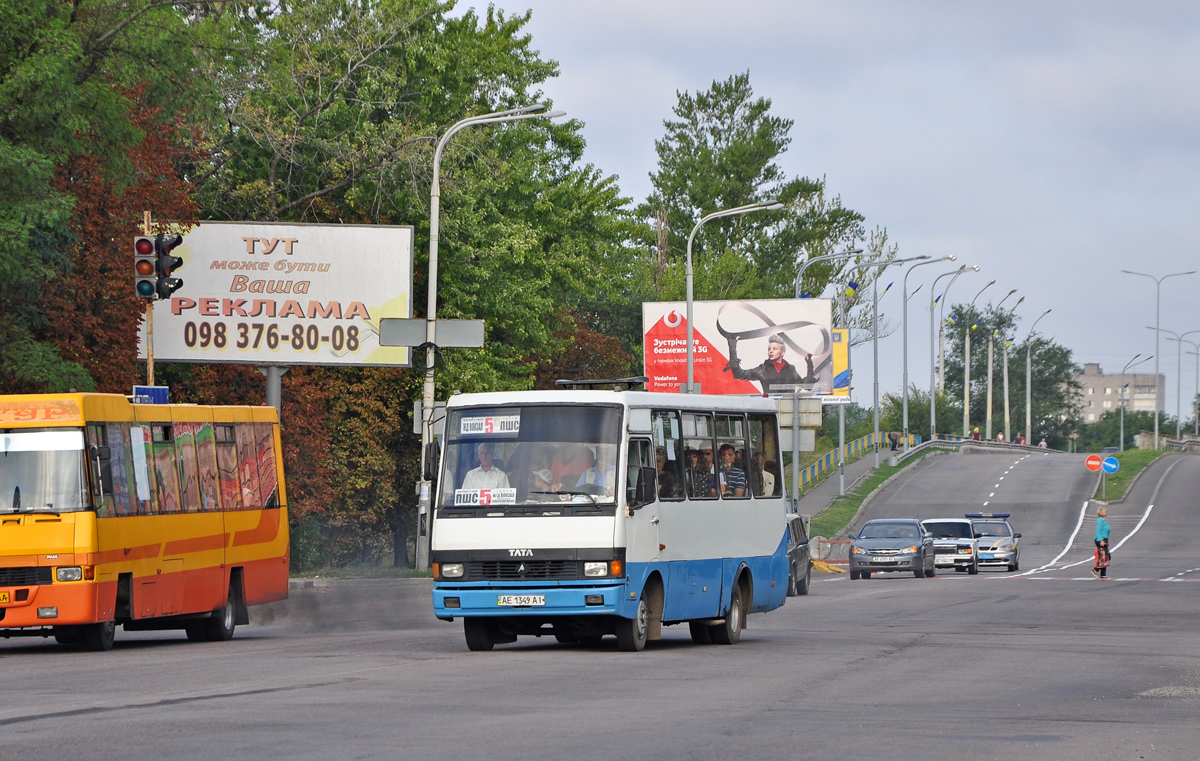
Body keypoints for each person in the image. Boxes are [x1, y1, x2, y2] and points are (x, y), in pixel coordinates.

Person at [726, 333, 812, 393]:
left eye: (774, 349)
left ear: (782, 352)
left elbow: (806, 386)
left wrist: (809, 364)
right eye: (769, 349)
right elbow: (739, 374)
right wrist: (732, 347)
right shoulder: (762, 369)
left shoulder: (791, 369)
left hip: (789, 411)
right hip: (771, 411)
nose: (771, 351)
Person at [1093, 506, 1111, 579]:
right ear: (1103, 513)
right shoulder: (1100, 520)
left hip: (1104, 540)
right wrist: (1101, 540)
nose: (1107, 513)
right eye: (1105, 512)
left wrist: (1106, 541)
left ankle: (1103, 574)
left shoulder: (1103, 521)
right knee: (1107, 557)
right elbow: (1098, 531)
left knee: (1104, 557)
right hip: (1100, 540)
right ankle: (1095, 570)